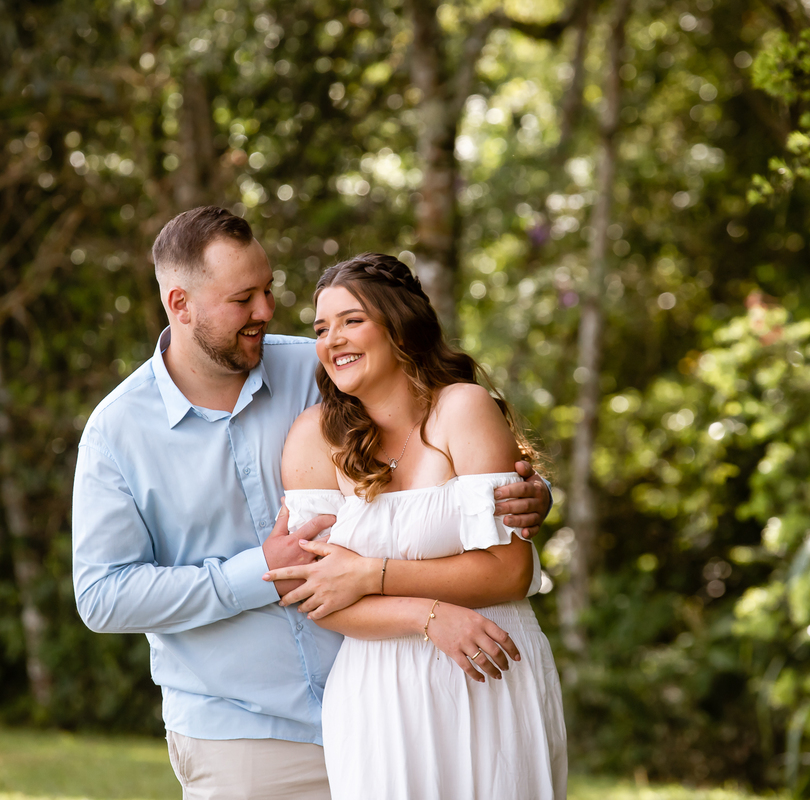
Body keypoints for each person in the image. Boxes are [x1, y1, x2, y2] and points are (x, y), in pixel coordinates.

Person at [71, 206, 552, 799]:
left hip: (379, 706)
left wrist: (530, 495)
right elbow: (101, 596)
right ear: (181, 304)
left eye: (268, 290)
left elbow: (448, 459)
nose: (267, 312)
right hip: (245, 731)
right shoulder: (118, 432)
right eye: (243, 298)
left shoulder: (320, 366)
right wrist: (259, 573)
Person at [268, 253, 567, 799]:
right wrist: (428, 617)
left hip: (489, 670)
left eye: (351, 320)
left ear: (399, 325)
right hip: (377, 693)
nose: (332, 339)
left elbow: (508, 570)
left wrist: (371, 574)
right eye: (320, 328)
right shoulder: (314, 438)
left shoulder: (463, 409)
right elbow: (317, 593)